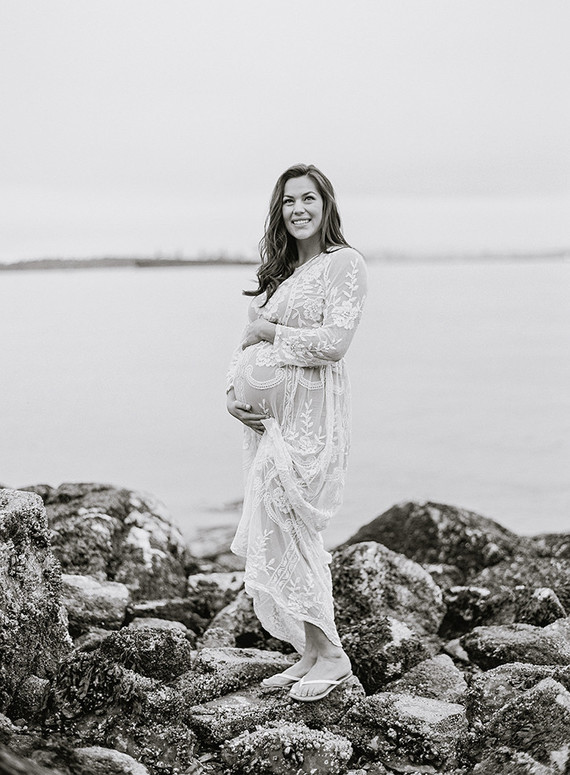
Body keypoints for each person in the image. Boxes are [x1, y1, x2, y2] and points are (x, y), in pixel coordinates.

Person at [225, 163, 367, 702]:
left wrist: (269, 329)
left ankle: (332, 654)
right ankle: (310, 651)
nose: (298, 209)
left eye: (308, 198)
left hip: (310, 422)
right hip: (270, 427)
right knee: (279, 524)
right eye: (288, 201)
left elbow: (334, 344)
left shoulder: (344, 264)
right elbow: (245, 345)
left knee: (290, 520)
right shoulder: (281, 272)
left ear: (326, 206)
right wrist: (232, 394)